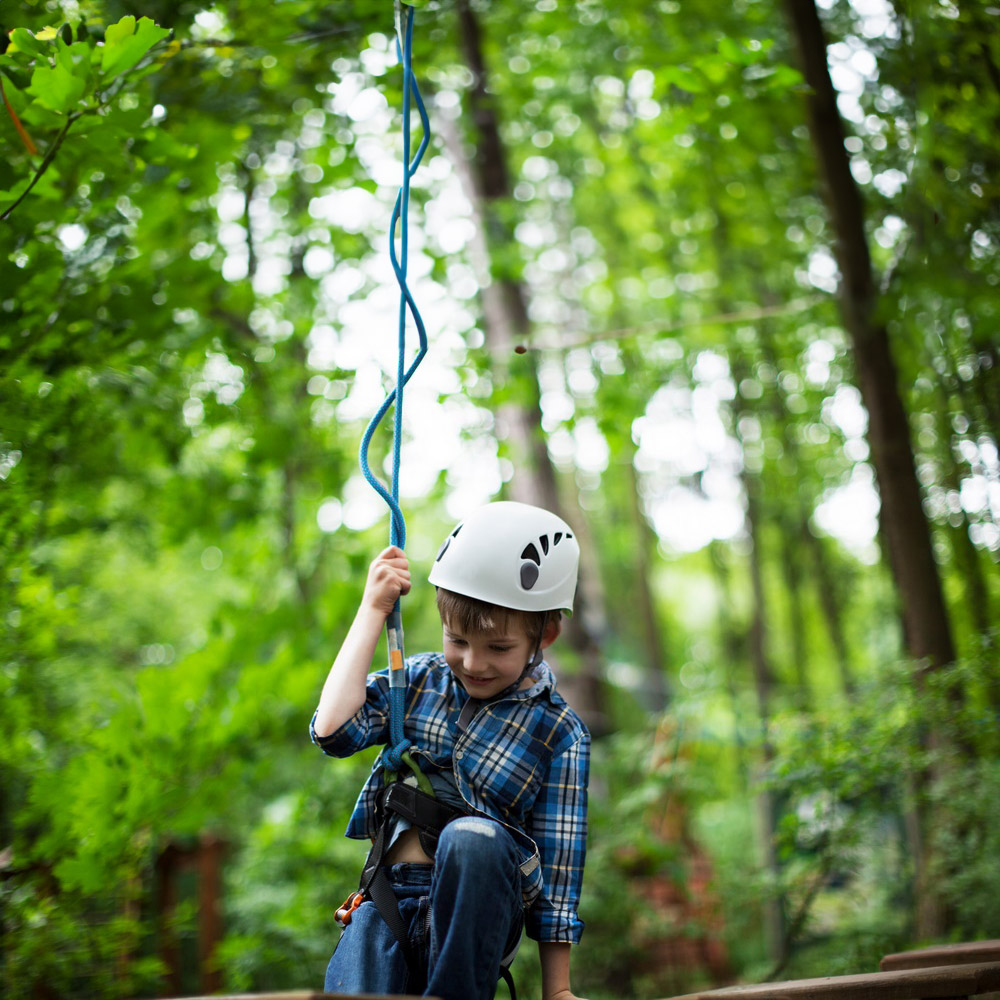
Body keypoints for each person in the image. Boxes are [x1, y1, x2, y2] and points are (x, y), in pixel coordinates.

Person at [311, 500, 590, 1000]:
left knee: (473, 839)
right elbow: (334, 731)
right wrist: (372, 609)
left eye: (498, 648)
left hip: (479, 907)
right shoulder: (418, 682)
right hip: (390, 899)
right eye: (456, 640)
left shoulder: (558, 732)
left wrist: (559, 991)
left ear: (544, 633)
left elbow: (560, 876)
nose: (472, 662)